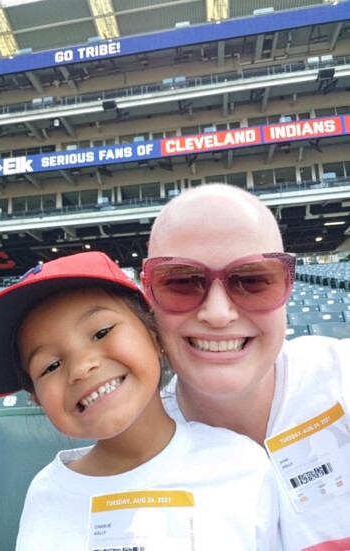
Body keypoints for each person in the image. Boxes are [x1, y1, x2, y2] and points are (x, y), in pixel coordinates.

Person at [0, 251, 279, 551]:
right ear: (37, 399)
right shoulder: (45, 492)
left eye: (101, 332)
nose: (81, 368)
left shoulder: (241, 464)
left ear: (155, 335)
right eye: (50, 366)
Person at [142, 183, 350, 551]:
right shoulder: (138, 455)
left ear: (288, 285)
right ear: (148, 300)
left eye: (253, 280)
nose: (218, 314)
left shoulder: (343, 376)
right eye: (181, 282)